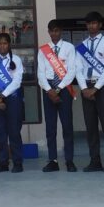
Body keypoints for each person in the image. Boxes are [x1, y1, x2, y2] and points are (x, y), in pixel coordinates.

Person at [75, 11, 104, 173]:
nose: (91, 26)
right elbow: (77, 68)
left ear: (100, 25)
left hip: (103, 87)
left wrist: (96, 88)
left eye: (94, 23)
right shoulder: (82, 46)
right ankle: (95, 160)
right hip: (86, 87)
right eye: (89, 23)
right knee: (90, 127)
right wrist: (84, 88)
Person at [37, 20, 77, 172]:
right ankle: (53, 160)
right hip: (48, 90)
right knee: (50, 128)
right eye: (51, 31)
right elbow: (40, 73)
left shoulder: (69, 48)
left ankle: (69, 160)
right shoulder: (43, 50)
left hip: (64, 89)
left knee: (67, 126)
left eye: (57, 30)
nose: (54, 33)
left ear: (61, 31)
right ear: (48, 32)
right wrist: (49, 90)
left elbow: (72, 70)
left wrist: (58, 89)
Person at [0, 32, 24, 173]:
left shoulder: (17, 60)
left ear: (9, 44)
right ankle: (3, 163)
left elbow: (17, 81)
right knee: (0, 133)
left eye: (5, 43)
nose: (2, 46)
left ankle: (17, 162)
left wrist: (3, 94)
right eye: (0, 43)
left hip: (12, 99)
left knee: (14, 132)